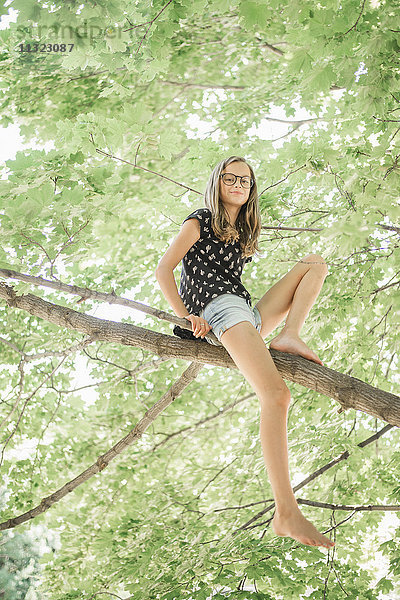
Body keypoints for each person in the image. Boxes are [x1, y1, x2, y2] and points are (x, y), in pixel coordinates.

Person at [155, 155, 334, 549]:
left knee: (315, 263)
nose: (238, 183)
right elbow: (164, 269)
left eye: (246, 180)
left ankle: (290, 334)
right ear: (217, 181)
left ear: (252, 190)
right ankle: (286, 510)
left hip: (244, 309)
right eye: (230, 177)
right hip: (219, 307)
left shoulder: (242, 232)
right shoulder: (199, 220)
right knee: (276, 395)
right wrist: (187, 317)